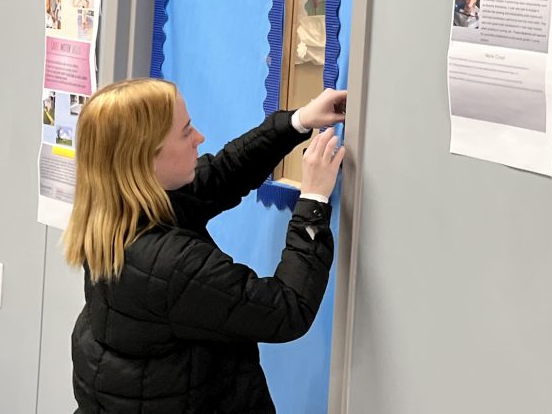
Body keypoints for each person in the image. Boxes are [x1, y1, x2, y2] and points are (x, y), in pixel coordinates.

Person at [65, 78, 347, 412]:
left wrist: (297, 122)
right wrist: (314, 199)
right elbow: (287, 310)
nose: (199, 137)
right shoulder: (171, 266)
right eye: (186, 132)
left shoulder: (114, 213)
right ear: (144, 158)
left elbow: (222, 174)